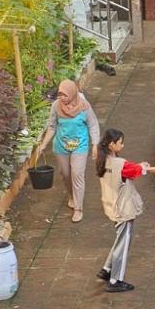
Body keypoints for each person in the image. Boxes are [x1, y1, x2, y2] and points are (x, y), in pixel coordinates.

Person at [96, 128, 155, 292]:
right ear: (112, 145)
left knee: (120, 239)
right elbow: (143, 171)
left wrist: (139, 166)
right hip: (123, 209)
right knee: (123, 244)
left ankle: (106, 269)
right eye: (120, 143)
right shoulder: (121, 164)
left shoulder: (103, 160)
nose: (122, 146)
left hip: (110, 205)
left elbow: (131, 170)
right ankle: (115, 280)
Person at [37, 79, 101, 223]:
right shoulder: (56, 106)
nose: (62, 98)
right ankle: (72, 196)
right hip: (61, 146)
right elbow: (52, 126)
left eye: (64, 95)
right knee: (65, 174)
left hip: (80, 145)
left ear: (72, 93)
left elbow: (93, 124)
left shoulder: (84, 106)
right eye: (60, 94)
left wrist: (95, 144)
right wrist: (43, 144)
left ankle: (78, 208)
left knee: (77, 174)